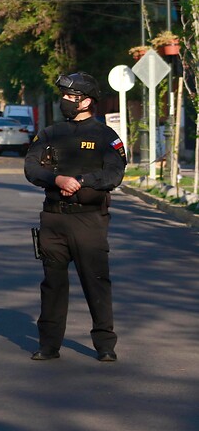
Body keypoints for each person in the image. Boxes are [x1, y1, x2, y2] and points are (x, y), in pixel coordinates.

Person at [24, 72, 126, 362]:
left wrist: (81, 180)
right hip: (53, 218)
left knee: (96, 282)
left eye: (72, 97)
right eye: (65, 96)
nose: (66, 101)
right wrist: (57, 180)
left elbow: (114, 173)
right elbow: (31, 168)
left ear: (87, 101)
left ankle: (105, 345)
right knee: (52, 285)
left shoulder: (106, 136)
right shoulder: (50, 133)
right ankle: (49, 345)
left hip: (89, 220)